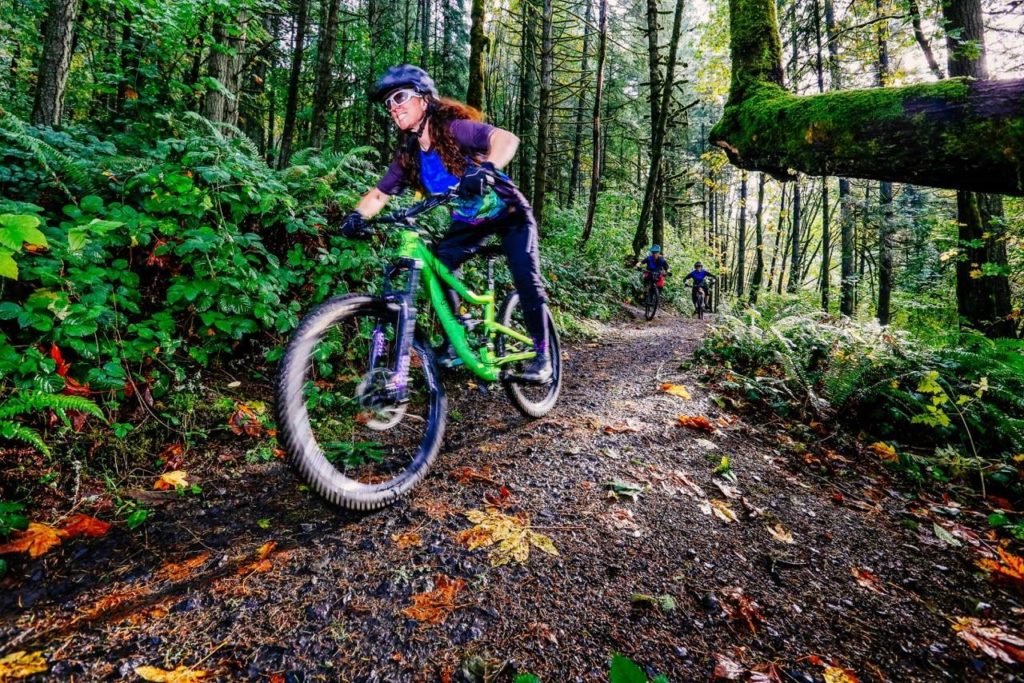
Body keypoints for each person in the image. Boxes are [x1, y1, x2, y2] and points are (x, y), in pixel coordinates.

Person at [339, 65, 553, 384]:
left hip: (509, 213)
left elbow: (506, 139)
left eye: (400, 97)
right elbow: (380, 194)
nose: (393, 106)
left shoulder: (454, 130)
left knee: (526, 278)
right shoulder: (409, 153)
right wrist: (357, 216)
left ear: (424, 100)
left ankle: (543, 354)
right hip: (468, 222)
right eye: (388, 103)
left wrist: (488, 168)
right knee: (437, 268)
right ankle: (459, 338)